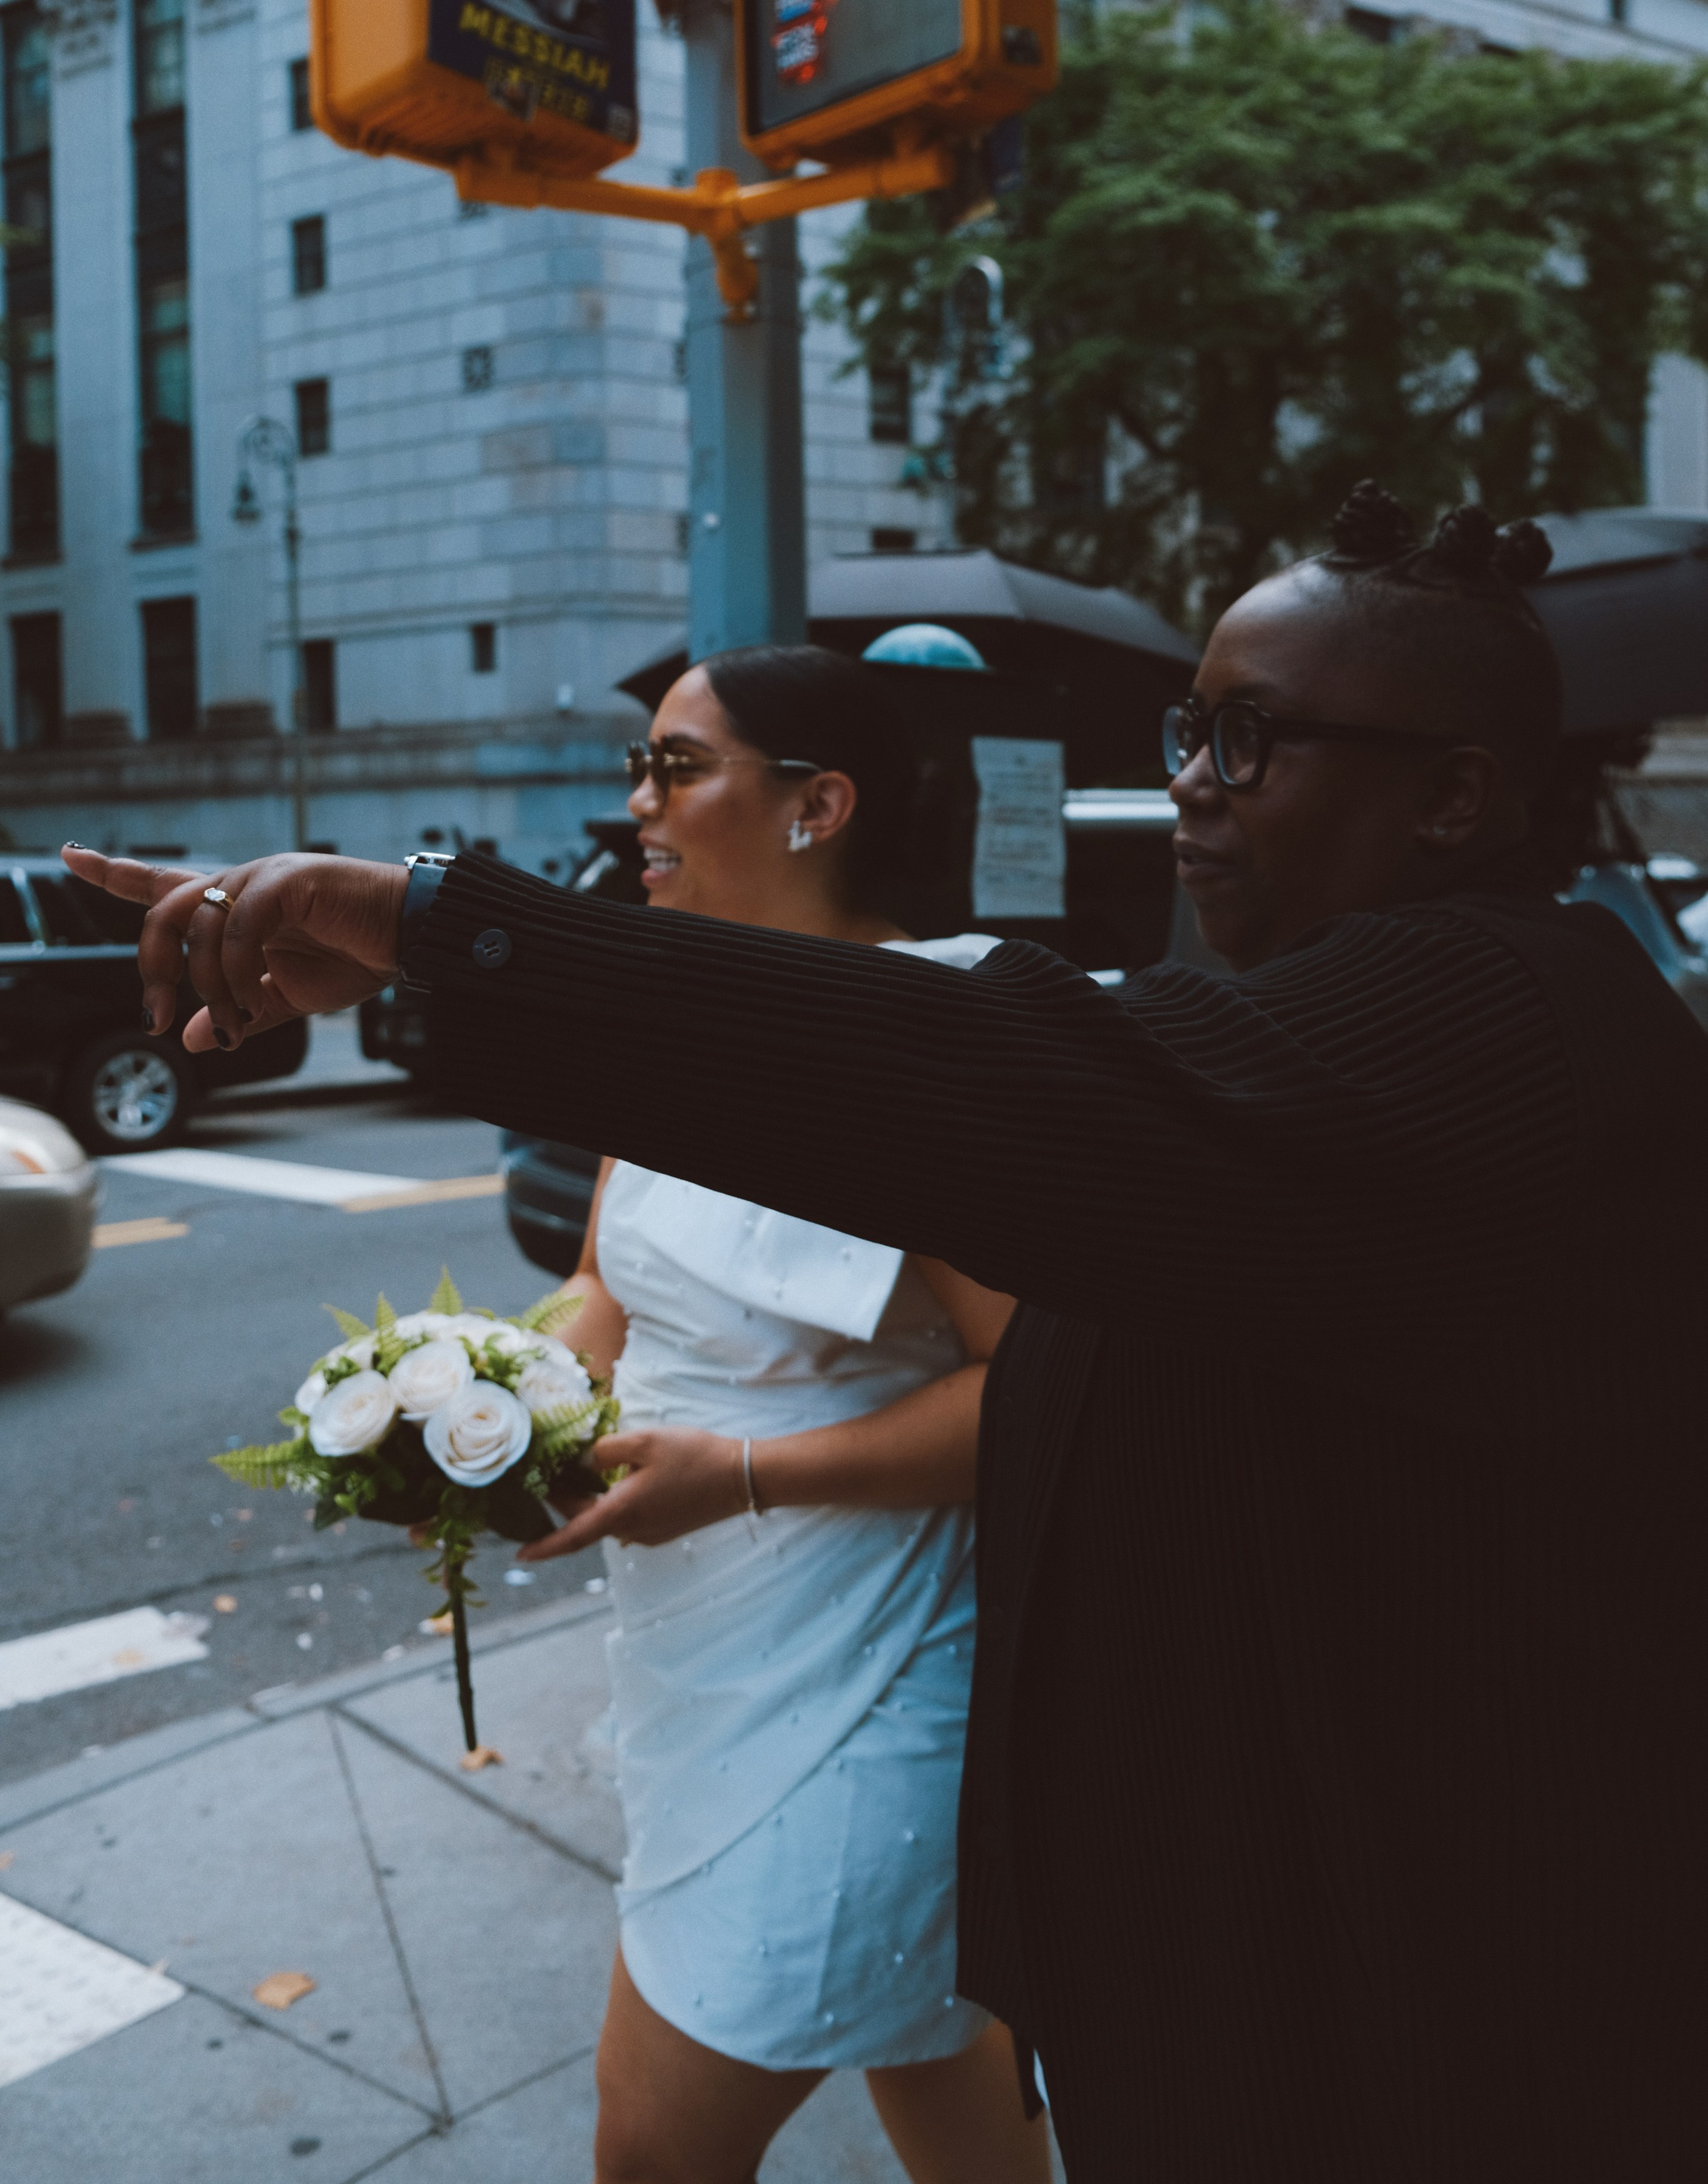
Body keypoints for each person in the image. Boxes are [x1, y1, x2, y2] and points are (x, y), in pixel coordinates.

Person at [67, 487, 1708, 2181]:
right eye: (1187, 732)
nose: (1189, 789)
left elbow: (995, 1087)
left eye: (1252, 744)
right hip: (1209, 1901)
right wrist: (497, 1402)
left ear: (1453, 796)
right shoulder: (1308, 1023)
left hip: (1412, 1982)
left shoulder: (1498, 1015)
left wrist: (423, 925)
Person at [506, 645, 1045, 2183]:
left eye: (678, 768)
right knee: (947, 2089)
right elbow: (604, 1298)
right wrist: (474, 1415)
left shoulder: (933, 1046)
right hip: (695, 1663)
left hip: (867, 1678)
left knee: (650, 2150)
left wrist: (741, 1472)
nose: (637, 804)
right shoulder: (665, 1025)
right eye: (641, 767)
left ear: (818, 805)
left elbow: (1044, 1396)